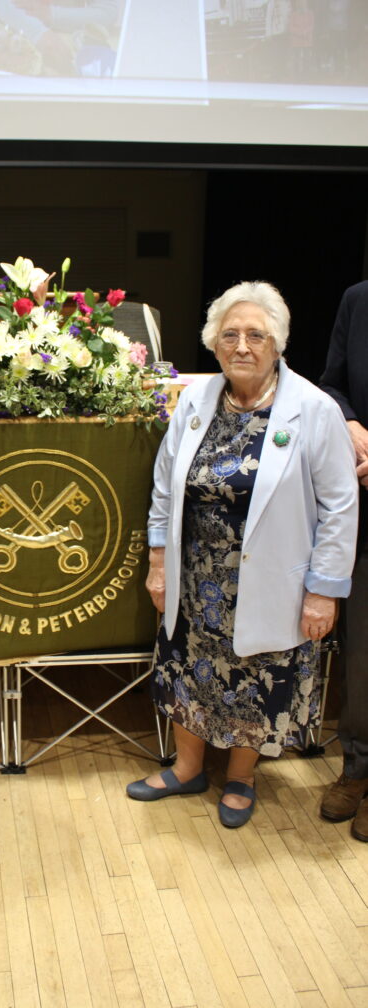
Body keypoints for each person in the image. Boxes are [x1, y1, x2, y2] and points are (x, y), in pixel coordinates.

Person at [127, 281, 358, 828]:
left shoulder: (313, 409)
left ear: (277, 344)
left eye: (256, 335)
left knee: (255, 677)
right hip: (194, 577)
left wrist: (324, 590)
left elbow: (340, 505)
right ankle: (187, 769)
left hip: (270, 579)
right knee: (187, 670)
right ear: (214, 343)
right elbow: (165, 488)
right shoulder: (196, 401)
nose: (242, 346)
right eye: (229, 335)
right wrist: (158, 564)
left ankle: (241, 777)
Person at [318, 280, 368, 841]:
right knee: (362, 653)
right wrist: (349, 422)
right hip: (365, 503)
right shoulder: (359, 299)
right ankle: (358, 765)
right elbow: (334, 384)